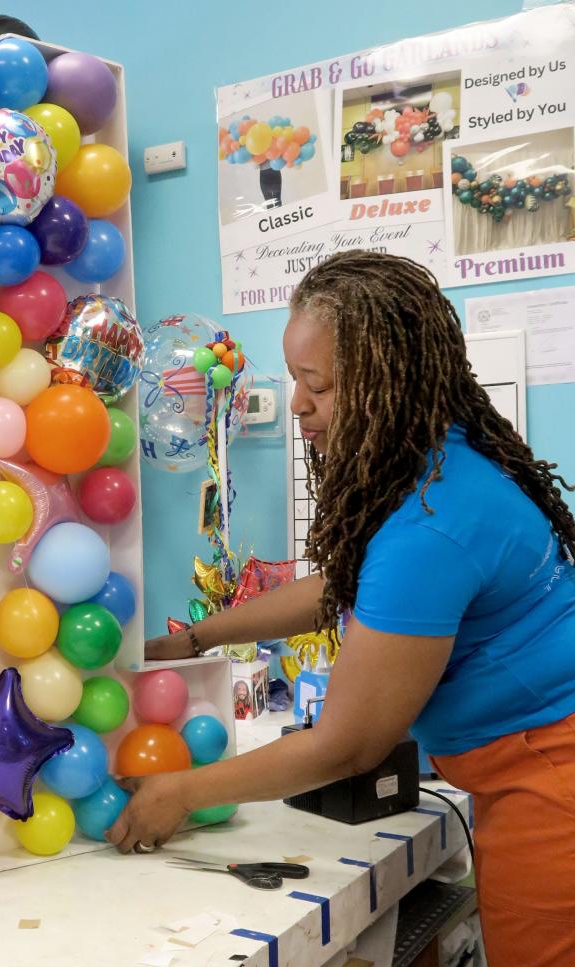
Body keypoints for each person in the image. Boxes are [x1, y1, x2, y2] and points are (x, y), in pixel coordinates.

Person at [108, 251, 575, 967]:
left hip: (552, 782)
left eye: (316, 385)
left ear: (389, 384)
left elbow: (348, 744)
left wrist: (183, 790)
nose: (296, 404)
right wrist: (200, 636)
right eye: (294, 378)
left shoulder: (432, 522)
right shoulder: (434, 461)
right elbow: (348, 586)